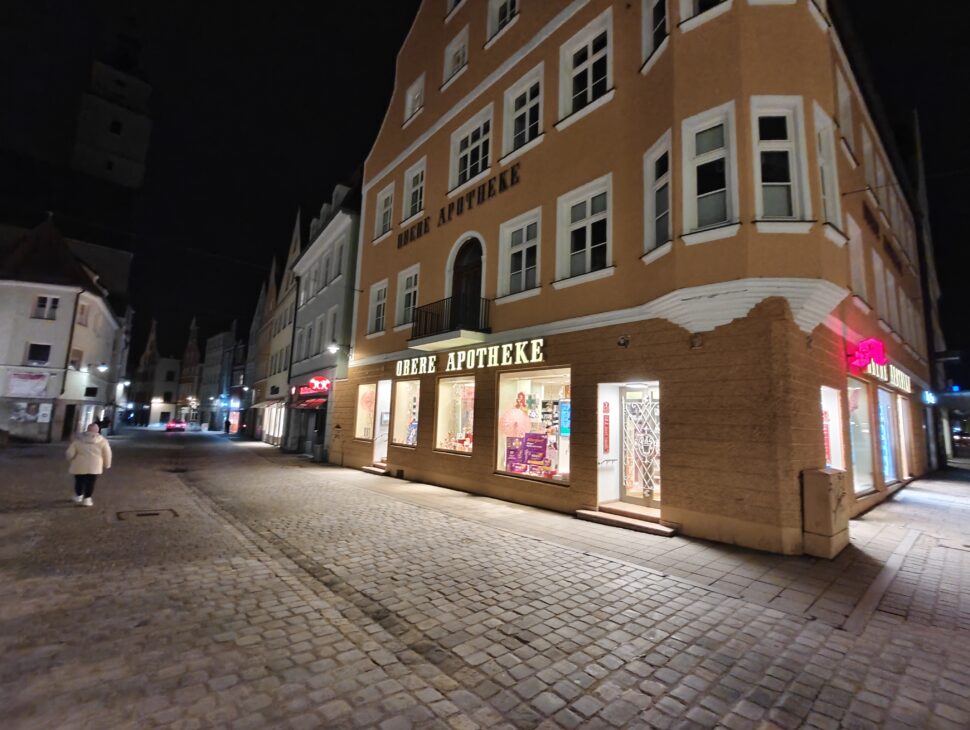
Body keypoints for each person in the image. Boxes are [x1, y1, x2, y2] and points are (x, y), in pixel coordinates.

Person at [66, 423, 113, 507]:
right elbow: (107, 454)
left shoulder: (78, 440)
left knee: (79, 481)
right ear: (97, 431)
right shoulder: (102, 441)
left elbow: (69, 453)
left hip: (79, 464)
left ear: (87, 430)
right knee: (91, 482)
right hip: (95, 466)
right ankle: (87, 499)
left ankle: (78, 495)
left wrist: (70, 459)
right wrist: (107, 464)